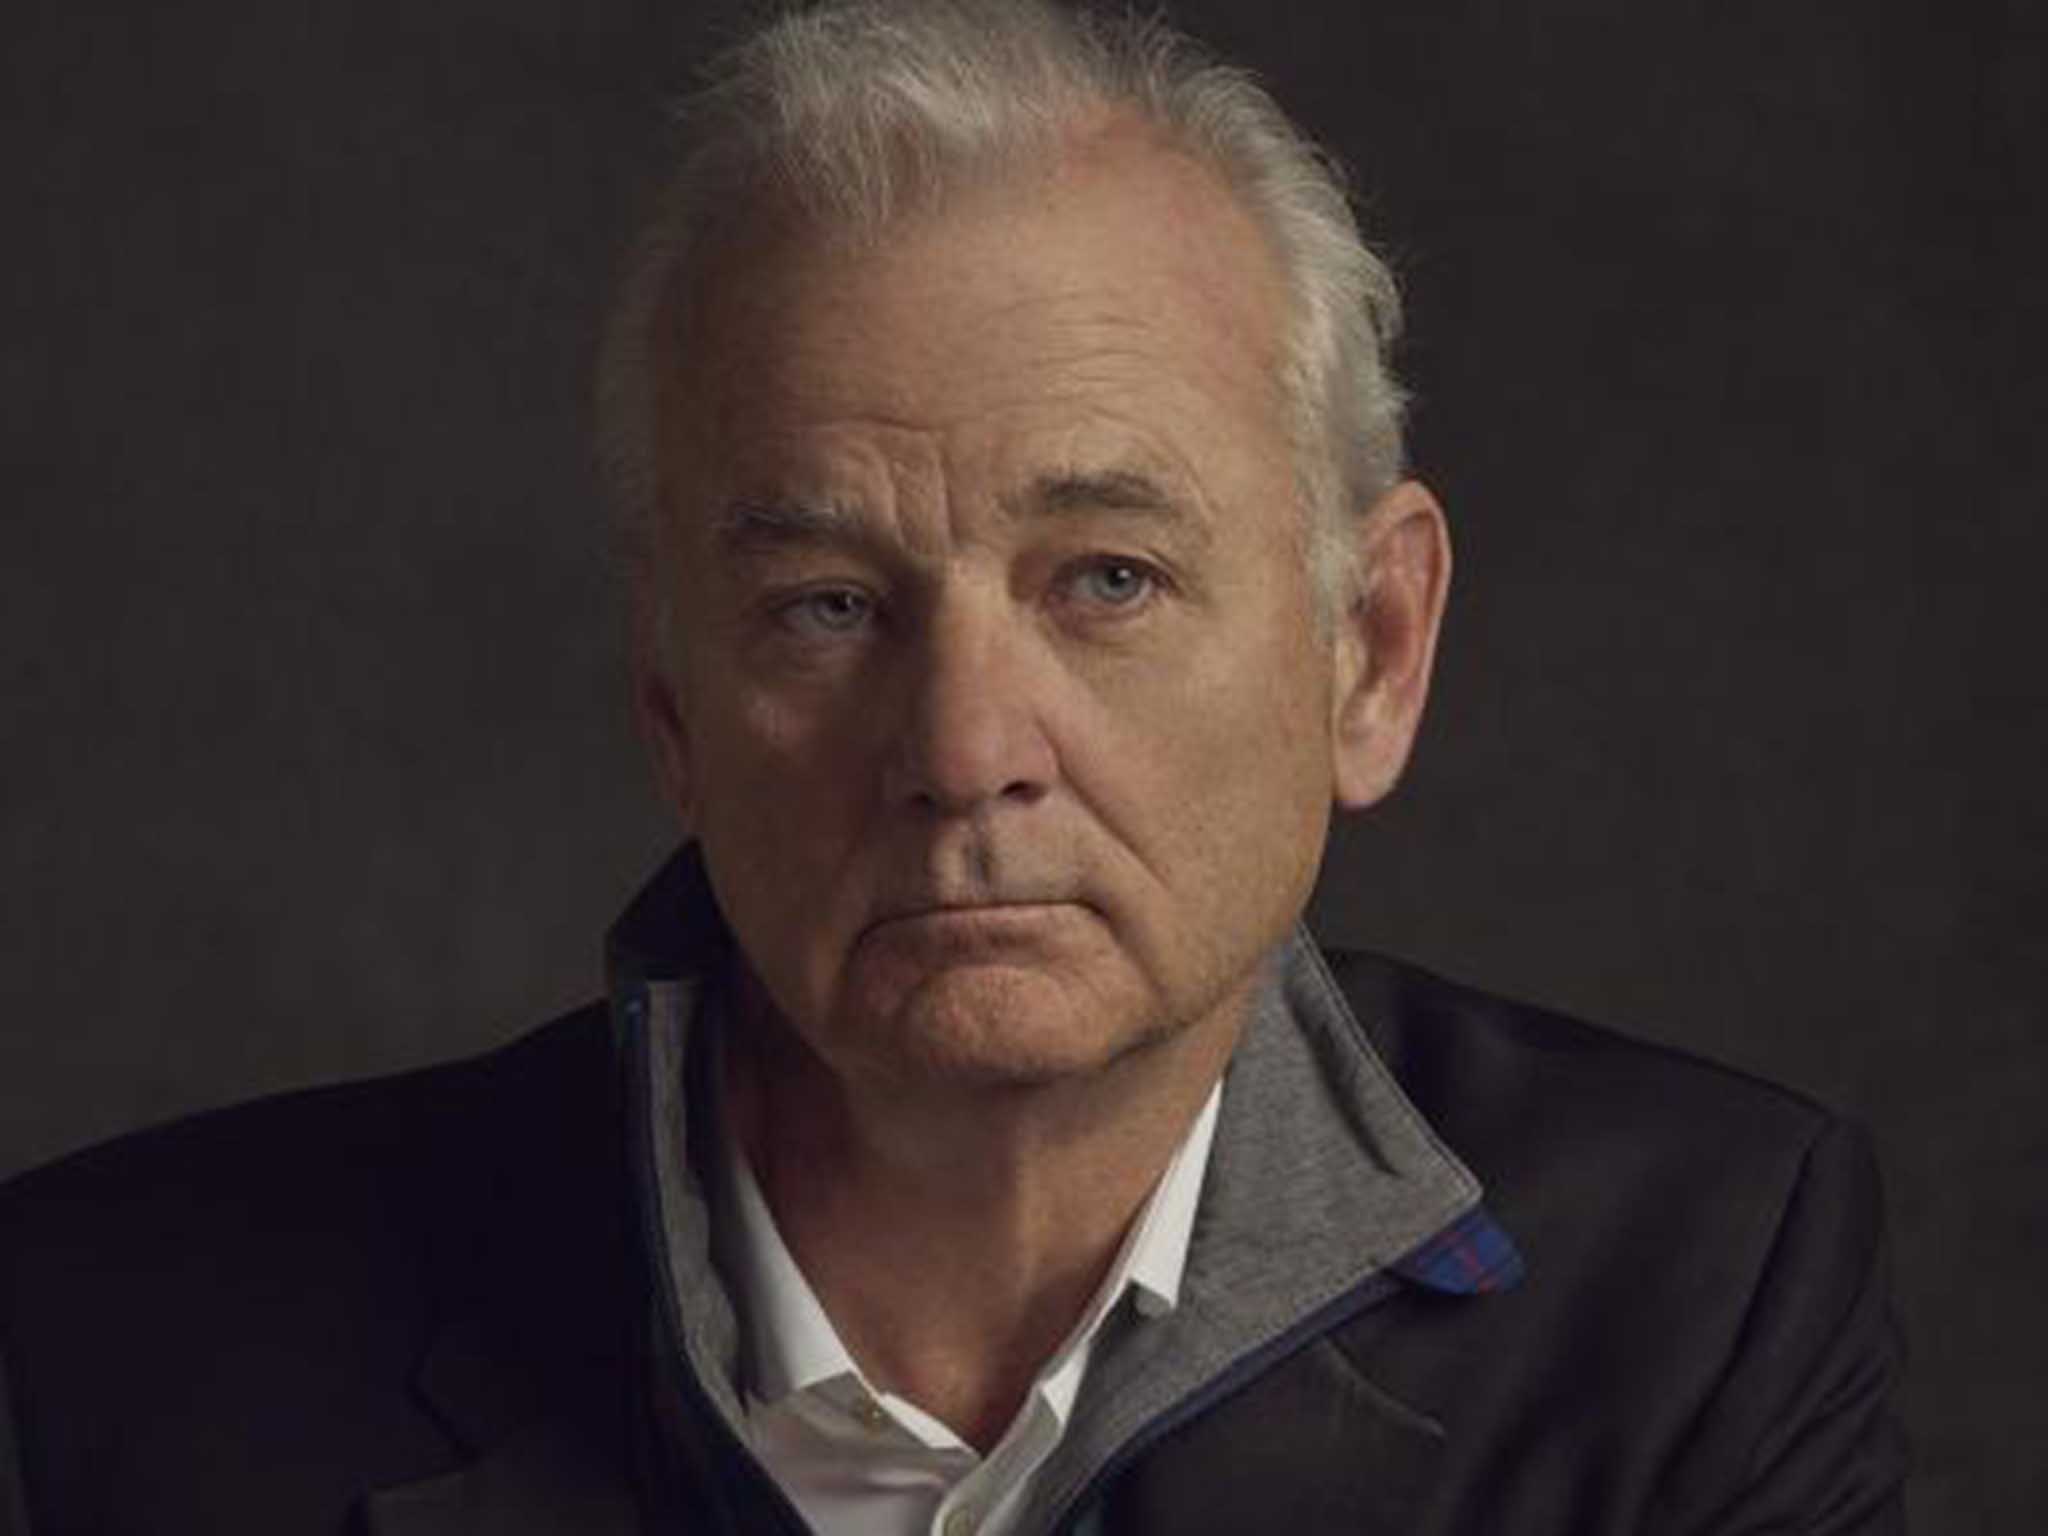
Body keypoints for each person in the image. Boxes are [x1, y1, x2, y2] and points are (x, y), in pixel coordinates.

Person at [0, 1, 1906, 1531]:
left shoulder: (1697, 1298)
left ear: (1372, 650)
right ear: (669, 701)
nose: (964, 752)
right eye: (828, 605)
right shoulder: (111, 1351)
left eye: (1108, 579)